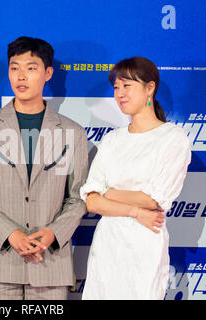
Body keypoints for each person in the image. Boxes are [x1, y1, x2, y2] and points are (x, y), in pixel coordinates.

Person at [0, 36, 89, 300]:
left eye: (31, 68)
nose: (21, 76)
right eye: (14, 67)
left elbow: (78, 198)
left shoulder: (72, 133)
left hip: (49, 264)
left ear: (48, 73)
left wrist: (52, 233)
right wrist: (10, 234)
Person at [80, 57, 191, 300]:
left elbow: (154, 200)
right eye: (116, 87)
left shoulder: (172, 138)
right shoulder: (112, 140)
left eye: (127, 85)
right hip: (107, 244)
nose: (119, 93)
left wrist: (108, 193)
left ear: (149, 87)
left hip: (144, 243)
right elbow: (91, 201)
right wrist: (134, 211)